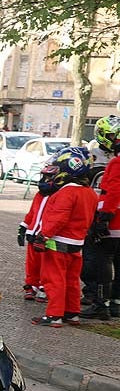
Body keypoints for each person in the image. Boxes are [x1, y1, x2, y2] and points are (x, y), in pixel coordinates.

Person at [27, 148, 98, 326]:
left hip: (57, 244)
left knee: (54, 280)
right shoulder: (90, 193)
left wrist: (43, 236)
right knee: (72, 280)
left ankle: (54, 315)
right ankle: (72, 313)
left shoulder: (66, 193)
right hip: (77, 243)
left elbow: (58, 219)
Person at [81, 120, 120, 320]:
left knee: (101, 259)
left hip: (110, 220)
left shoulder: (115, 162)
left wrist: (104, 218)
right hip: (102, 213)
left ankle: (101, 303)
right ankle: (112, 302)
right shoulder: (92, 155)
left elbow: (111, 192)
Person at [18, 168, 56, 301]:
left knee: (45, 264)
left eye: (49, 177)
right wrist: (23, 228)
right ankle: (31, 285)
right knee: (32, 263)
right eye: (44, 177)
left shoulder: (57, 196)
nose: (45, 180)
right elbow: (32, 213)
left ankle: (43, 287)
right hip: (32, 234)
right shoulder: (39, 195)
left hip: (45, 235)